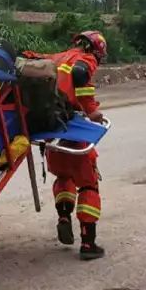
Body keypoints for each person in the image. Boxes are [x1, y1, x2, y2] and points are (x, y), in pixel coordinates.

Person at [47, 31, 108, 260]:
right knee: (88, 185)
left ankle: (64, 217)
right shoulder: (86, 59)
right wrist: (91, 110)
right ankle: (88, 244)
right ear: (95, 50)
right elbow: (81, 74)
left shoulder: (60, 57)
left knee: (63, 176)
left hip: (52, 130)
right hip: (72, 125)